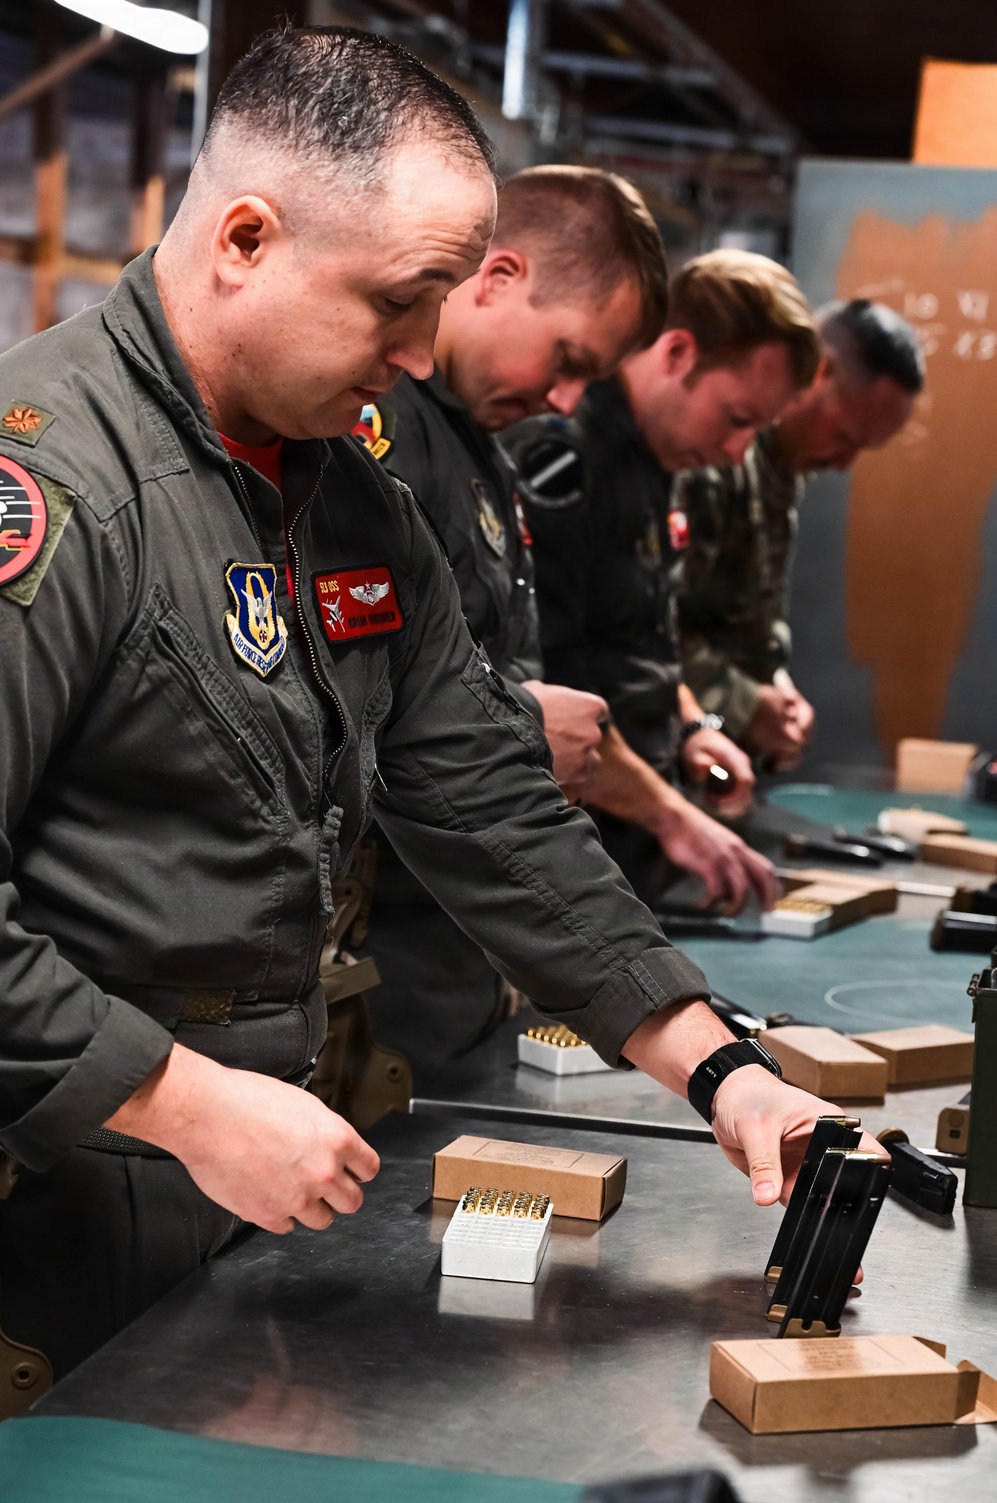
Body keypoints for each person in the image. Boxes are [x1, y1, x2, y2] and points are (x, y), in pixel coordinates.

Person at [0, 26, 871, 1395]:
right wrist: (182, 1099)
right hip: (53, 1214)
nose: (419, 355)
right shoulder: (53, 493)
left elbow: (491, 805)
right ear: (243, 238)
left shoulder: (348, 500)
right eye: (399, 301)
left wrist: (722, 1069)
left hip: (245, 1185)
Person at [352, 167, 774, 1082]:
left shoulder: (473, 445)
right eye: (570, 359)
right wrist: (512, 722)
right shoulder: (373, 435)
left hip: (463, 947)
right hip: (384, 960)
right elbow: (320, 693)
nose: (570, 400)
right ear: (498, 278)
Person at [521, 250, 820, 906]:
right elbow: (555, 679)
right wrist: (674, 816)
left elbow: (644, 637)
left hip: (630, 837)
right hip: (557, 849)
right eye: (736, 417)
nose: (739, 451)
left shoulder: (662, 455)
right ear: (678, 352)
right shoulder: (566, 455)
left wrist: (695, 728)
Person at [677, 298, 924, 770]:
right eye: (846, 435)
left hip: (722, 768)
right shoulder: (720, 458)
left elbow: (748, 622)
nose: (842, 464)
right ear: (818, 373)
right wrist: (745, 702)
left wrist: (779, 693)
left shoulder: (781, 474)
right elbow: (649, 627)